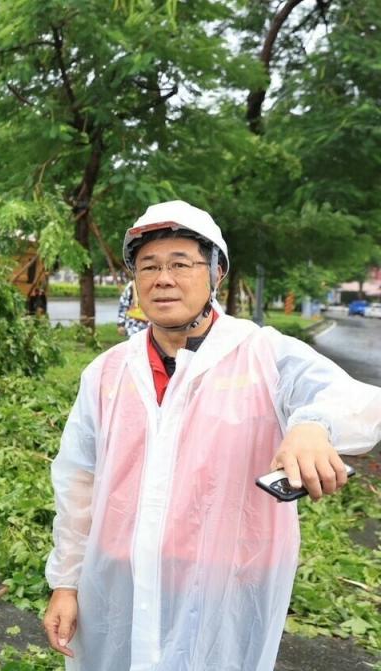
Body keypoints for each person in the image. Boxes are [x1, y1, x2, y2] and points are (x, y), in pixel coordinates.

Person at [42, 200, 381, 670]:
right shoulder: (108, 372)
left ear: (216, 272)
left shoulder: (262, 353)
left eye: (181, 264)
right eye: (149, 266)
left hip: (226, 587)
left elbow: (351, 399)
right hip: (119, 585)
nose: (163, 278)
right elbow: (79, 483)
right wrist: (66, 583)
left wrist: (311, 426)